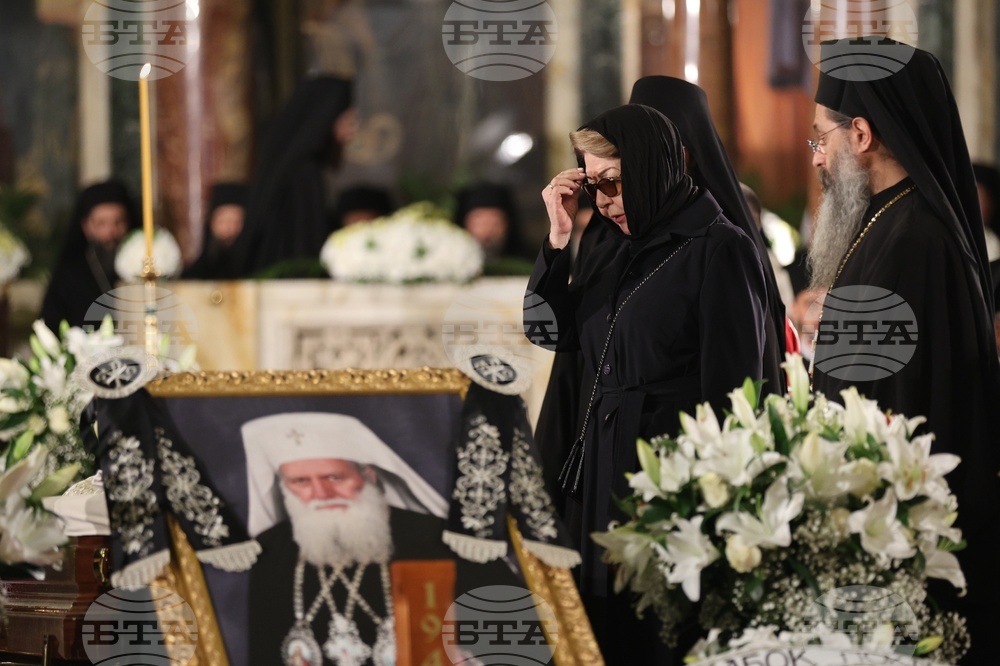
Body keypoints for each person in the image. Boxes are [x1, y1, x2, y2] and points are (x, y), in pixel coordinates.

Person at [526, 104, 768, 663]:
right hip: (596, 476)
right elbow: (548, 331)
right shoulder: (608, 241)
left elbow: (737, 393)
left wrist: (709, 505)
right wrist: (559, 237)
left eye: (613, 182)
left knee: (655, 640)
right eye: (593, 185)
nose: (605, 201)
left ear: (652, 167)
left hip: (664, 480)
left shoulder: (719, 246)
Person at [809, 38, 1000, 662]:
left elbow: (903, 404)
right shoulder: (894, 220)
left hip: (896, 536)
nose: (816, 159)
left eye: (821, 139)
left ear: (860, 134)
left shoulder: (913, 239)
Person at [243, 412, 512, 666]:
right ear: (284, 487)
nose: (321, 493)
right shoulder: (272, 551)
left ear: (368, 474)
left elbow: (517, 646)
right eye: (301, 481)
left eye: (334, 477)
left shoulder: (439, 542)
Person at [230, 77, 354, 277]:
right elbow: (305, 252)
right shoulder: (304, 174)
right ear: (325, 117)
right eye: (347, 120)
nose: (351, 130)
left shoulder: (292, 167)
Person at [40, 180, 138, 331]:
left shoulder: (142, 264)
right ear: (87, 227)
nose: (111, 232)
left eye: (118, 222)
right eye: (101, 223)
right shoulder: (68, 275)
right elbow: (52, 327)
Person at [454, 183, 531, 266]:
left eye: (495, 223)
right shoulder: (453, 262)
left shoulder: (528, 261)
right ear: (465, 225)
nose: (488, 231)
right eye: (481, 224)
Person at [182, 182, 247, 280]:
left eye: (237, 222)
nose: (230, 229)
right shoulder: (194, 276)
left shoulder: (259, 269)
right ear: (211, 224)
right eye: (223, 221)